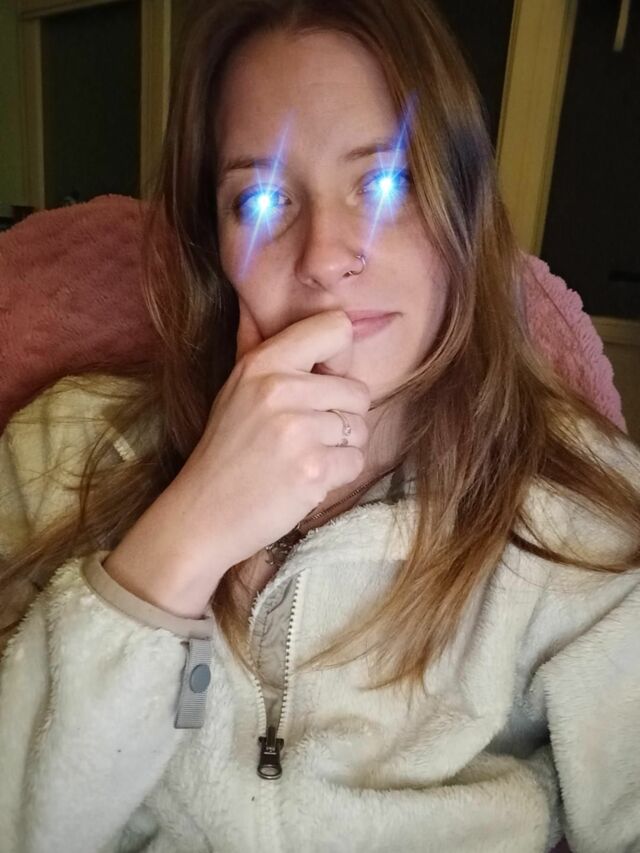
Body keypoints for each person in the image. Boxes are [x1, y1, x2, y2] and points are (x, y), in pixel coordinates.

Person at [0, 0, 639, 850]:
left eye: (385, 185)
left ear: (461, 211)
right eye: (262, 199)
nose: (326, 256)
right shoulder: (62, 446)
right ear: (211, 239)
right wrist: (185, 536)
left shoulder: (581, 513)